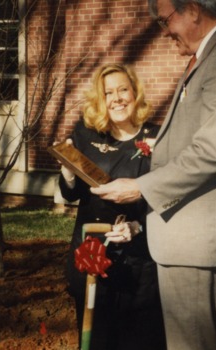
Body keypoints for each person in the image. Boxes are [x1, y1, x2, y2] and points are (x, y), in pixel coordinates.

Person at [91, 1, 216, 349]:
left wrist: (140, 187)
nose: (164, 30)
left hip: (197, 237)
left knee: (191, 344)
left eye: (165, 20)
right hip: (184, 233)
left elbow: (213, 151)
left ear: (194, 11)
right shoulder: (210, 55)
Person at [58, 63, 166, 350]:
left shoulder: (159, 137)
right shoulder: (88, 134)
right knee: (96, 336)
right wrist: (68, 174)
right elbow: (72, 194)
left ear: (135, 93)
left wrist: (138, 226)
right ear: (100, 99)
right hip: (92, 251)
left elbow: (169, 196)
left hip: (140, 258)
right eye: (108, 93)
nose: (116, 98)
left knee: (138, 339)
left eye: (123, 90)